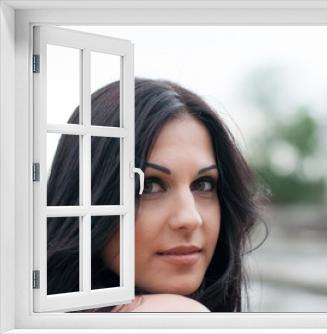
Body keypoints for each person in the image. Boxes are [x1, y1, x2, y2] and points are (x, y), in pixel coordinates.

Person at [46, 78, 266, 312]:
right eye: (150, 185)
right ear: (86, 194)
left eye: (203, 185)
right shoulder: (177, 315)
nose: (190, 219)